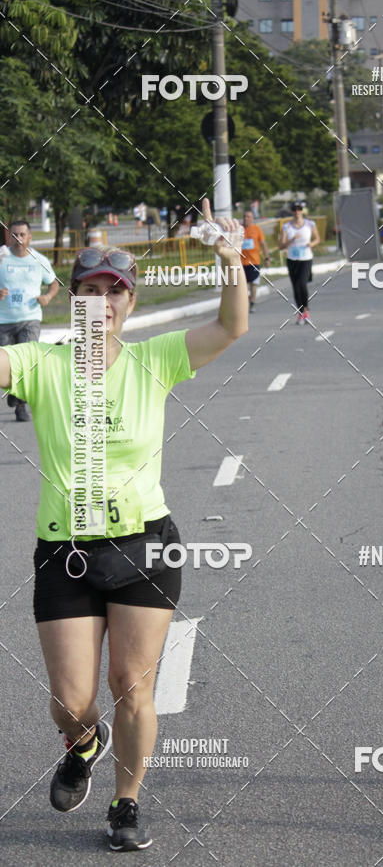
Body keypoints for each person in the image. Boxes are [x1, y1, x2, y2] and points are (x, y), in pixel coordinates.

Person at [0, 200, 248, 851]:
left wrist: (231, 262)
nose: (102, 303)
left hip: (145, 547)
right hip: (66, 553)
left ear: (130, 304)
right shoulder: (40, 364)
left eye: (114, 292)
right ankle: (84, 742)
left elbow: (231, 326)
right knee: (69, 699)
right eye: (89, 291)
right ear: (73, 300)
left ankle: (126, 801)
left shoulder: (154, 360)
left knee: (131, 686)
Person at [0, 219, 59, 421]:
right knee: (9, 364)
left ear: (30, 237)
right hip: (4, 320)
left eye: (22, 235)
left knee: (26, 361)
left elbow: (53, 284)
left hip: (30, 318)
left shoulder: (39, 260)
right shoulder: (1, 258)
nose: (18, 238)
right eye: (14, 235)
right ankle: (14, 392)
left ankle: (20, 405)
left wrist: (47, 297)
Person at [278, 201, 320, 324]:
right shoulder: (286, 227)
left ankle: (306, 310)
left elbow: (317, 238)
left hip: (306, 258)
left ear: (302, 211)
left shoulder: (310, 224)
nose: (297, 212)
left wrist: (312, 244)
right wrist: (291, 240)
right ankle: (301, 313)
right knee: (296, 287)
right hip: (292, 259)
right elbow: (281, 245)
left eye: (299, 209)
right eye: (295, 209)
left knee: (302, 284)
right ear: (292, 211)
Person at [241, 209, 270, 311]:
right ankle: (246, 300)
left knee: (254, 283)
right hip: (241, 262)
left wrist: (267, 258)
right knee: (243, 284)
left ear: (252, 218)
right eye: (244, 216)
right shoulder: (240, 229)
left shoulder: (257, 229)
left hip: (254, 261)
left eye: (248, 217)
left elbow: (263, 244)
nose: (246, 218)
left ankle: (252, 302)